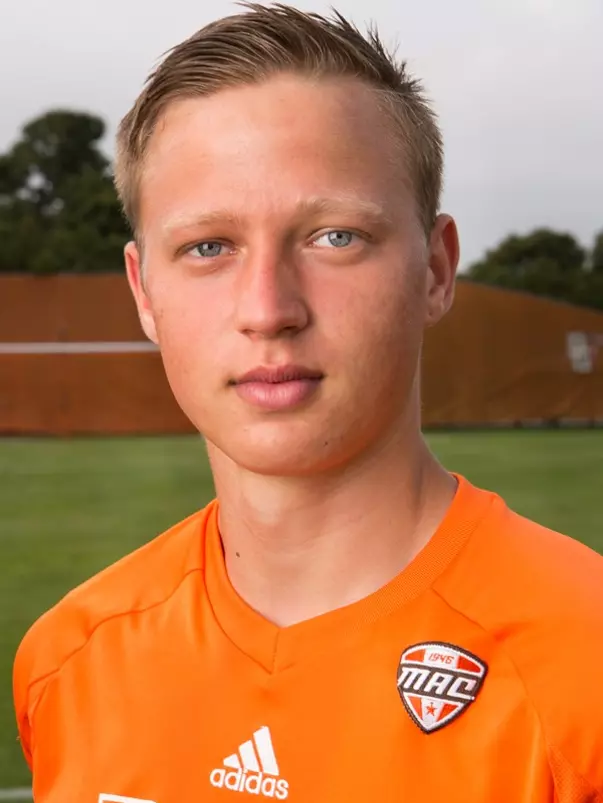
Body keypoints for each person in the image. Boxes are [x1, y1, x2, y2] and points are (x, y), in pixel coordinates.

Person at [13, 4, 603, 802]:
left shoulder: (584, 667)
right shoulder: (69, 661)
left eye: (334, 237)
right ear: (142, 292)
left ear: (433, 269)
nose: (268, 307)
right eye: (208, 247)